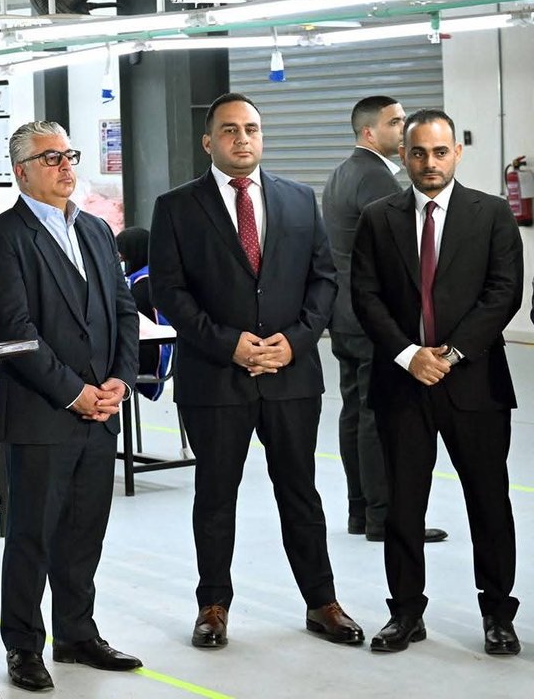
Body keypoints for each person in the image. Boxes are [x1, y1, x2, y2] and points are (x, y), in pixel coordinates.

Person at [148, 92, 362, 650]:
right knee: (216, 496)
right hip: (216, 377)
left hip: (291, 375)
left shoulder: (298, 199)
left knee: (301, 492)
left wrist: (296, 341)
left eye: (251, 128)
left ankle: (322, 601)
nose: (242, 138)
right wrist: (229, 345)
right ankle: (213, 605)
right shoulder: (177, 207)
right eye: (229, 130)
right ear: (208, 141)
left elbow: (324, 279)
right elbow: (168, 291)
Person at [0, 122, 141, 693]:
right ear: (21, 171)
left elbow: (124, 310)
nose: (66, 166)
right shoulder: (0, 238)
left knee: (84, 533)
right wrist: (74, 392)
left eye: (69, 155)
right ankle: (23, 645)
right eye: (51, 158)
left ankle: (77, 633)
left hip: (102, 411)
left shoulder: (95, 229)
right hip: (42, 413)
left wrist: (120, 381)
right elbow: (16, 330)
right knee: (32, 538)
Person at [351, 109, 524, 656]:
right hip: (403, 383)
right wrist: (409, 356)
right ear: (404, 155)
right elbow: (365, 296)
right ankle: (405, 613)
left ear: (457, 153)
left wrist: (449, 354)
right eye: (419, 152)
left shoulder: (491, 214)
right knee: (403, 505)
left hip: (474, 384)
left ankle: (498, 613)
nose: (430, 162)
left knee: (489, 502)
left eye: (440, 151)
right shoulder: (378, 218)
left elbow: (504, 292)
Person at [324, 96, 448, 545]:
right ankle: (384, 516)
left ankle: (360, 510)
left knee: (355, 410)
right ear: (369, 132)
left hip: (342, 313)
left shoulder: (341, 173)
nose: (404, 126)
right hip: (370, 317)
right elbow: (399, 251)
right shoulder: (377, 177)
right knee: (378, 414)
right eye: (395, 122)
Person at [114, 227, 171, 394]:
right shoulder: (152, 275)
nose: (119, 258)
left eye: (122, 252)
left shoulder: (145, 282)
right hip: (143, 346)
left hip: (148, 350)